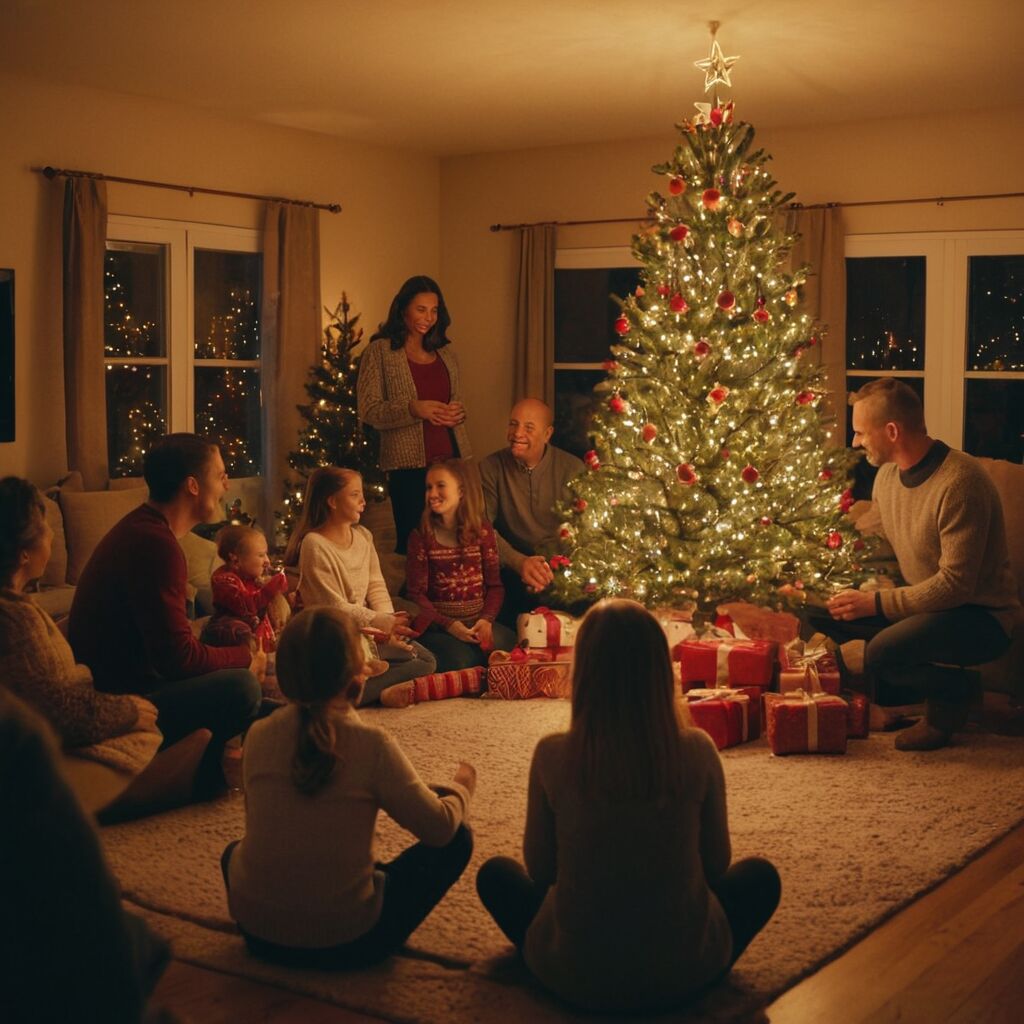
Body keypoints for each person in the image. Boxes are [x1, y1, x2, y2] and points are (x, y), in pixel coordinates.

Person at [476, 600, 780, 1014]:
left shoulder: (553, 754)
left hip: (572, 977)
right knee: (760, 877)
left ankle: (567, 964)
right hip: (686, 974)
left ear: (582, 673)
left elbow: (542, 872)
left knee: (496, 875)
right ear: (660, 671)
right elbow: (716, 866)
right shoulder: (696, 750)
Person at [221, 606, 475, 968]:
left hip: (258, 936)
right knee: (458, 838)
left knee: (235, 852)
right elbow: (439, 829)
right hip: (350, 943)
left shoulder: (259, 734)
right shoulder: (371, 743)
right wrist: (461, 789)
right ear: (359, 673)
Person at [823, 378, 1019, 751]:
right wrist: (831, 571)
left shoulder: (960, 482)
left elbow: (954, 586)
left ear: (892, 431)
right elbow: (876, 541)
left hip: (978, 616)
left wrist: (878, 603)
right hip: (921, 606)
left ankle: (959, 695)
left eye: (861, 432)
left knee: (881, 655)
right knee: (818, 610)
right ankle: (867, 704)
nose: (855, 442)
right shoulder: (887, 477)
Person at [0, 475, 212, 819]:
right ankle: (128, 794)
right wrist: (125, 710)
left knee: (155, 721)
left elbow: (37, 652)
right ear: (24, 552)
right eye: (45, 528)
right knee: (159, 719)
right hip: (58, 739)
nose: (52, 535)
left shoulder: (18, 609)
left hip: (75, 710)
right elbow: (52, 712)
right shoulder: (12, 619)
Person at [69, 434, 264, 799]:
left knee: (255, 690)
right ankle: (193, 777)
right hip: (125, 702)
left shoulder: (148, 530)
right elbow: (178, 659)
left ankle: (207, 766)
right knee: (243, 687)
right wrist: (246, 658)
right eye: (220, 475)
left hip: (139, 680)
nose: (226, 484)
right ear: (193, 485)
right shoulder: (155, 545)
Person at [0, 688, 171, 1023]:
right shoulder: (13, 736)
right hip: (101, 708)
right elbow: (107, 978)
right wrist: (127, 710)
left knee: (141, 939)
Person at [283, 466, 435, 704]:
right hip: (334, 636)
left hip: (368, 632)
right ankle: (339, 697)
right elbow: (333, 607)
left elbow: (376, 584)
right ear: (332, 501)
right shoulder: (314, 544)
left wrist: (389, 628)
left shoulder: (363, 536)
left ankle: (366, 690)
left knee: (425, 660)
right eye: (354, 494)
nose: (363, 500)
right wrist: (382, 623)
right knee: (418, 661)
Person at [357, 275, 470, 555]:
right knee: (414, 544)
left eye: (434, 310)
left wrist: (458, 413)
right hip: (407, 467)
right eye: (421, 309)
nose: (429, 318)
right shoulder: (380, 352)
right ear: (403, 308)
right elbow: (369, 409)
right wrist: (413, 408)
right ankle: (414, 598)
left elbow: (452, 401)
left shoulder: (446, 353)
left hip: (452, 460)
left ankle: (453, 596)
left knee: (455, 539)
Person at [405, 458, 516, 672]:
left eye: (441, 486)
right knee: (461, 661)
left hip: (476, 622)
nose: (432, 493)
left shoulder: (483, 532)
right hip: (440, 626)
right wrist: (450, 625)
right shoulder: (421, 537)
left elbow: (495, 586)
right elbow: (416, 595)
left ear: (461, 492)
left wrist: (486, 620)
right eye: (429, 487)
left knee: (511, 646)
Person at [479, 398, 583, 625]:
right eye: (513, 424)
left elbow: (585, 535)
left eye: (528, 427)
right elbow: (481, 528)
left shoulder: (573, 470)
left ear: (547, 434)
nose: (517, 433)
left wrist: (548, 570)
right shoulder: (490, 468)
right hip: (512, 565)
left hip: (561, 568)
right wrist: (518, 562)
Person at [201, 524, 289, 652]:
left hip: (260, 637)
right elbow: (247, 606)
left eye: (266, 554)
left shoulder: (253, 578)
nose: (267, 561)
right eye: (260, 555)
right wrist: (270, 589)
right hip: (233, 638)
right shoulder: (224, 581)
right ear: (235, 559)